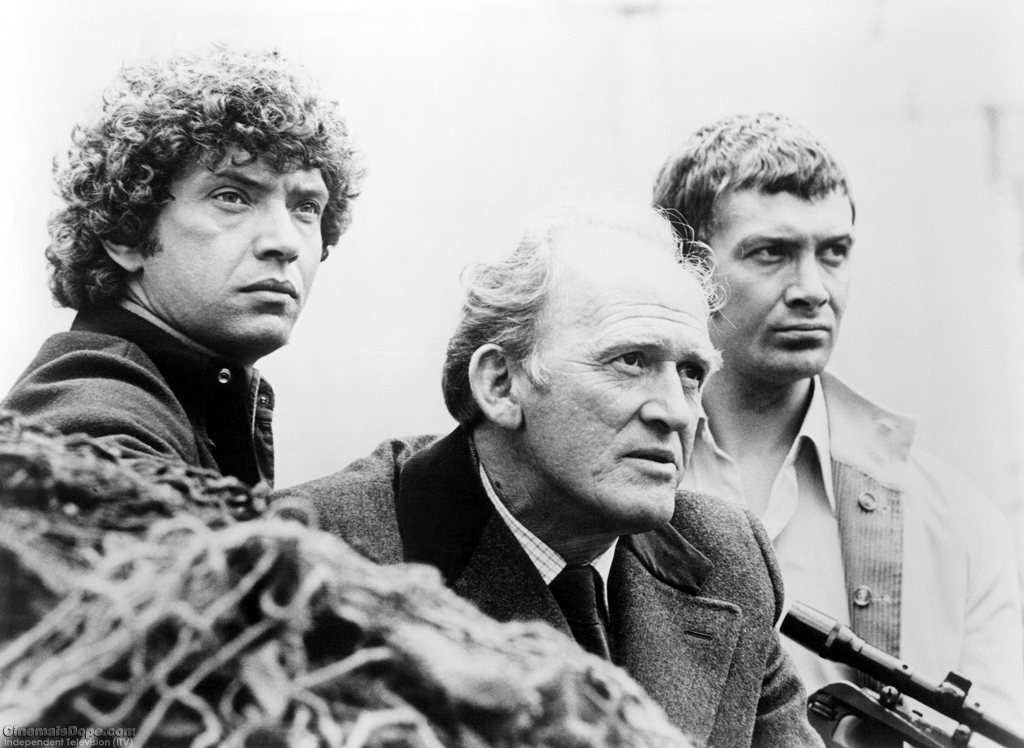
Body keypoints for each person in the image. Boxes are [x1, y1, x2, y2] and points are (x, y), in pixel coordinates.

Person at [279, 203, 824, 747]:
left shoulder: (730, 555)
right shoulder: (310, 558)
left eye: (690, 373)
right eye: (631, 361)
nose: (677, 413)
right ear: (500, 384)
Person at [653, 112, 1024, 728]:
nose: (813, 289)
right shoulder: (615, 477)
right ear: (687, 265)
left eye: (834, 252)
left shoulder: (953, 521)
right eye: (771, 253)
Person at [2, 47, 361, 487]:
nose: (286, 243)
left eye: (306, 207)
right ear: (125, 232)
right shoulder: (90, 409)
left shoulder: (188, 399)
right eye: (232, 197)